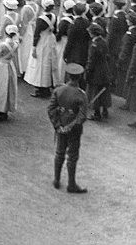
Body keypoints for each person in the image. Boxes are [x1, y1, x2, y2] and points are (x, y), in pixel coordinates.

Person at [47, 63, 88, 194]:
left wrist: (58, 125)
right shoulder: (81, 95)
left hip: (60, 128)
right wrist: (70, 127)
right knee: (72, 156)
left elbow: (51, 109)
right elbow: (81, 117)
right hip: (74, 131)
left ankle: (56, 180)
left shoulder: (59, 90)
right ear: (80, 77)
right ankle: (71, 184)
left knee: (59, 153)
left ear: (68, 76)